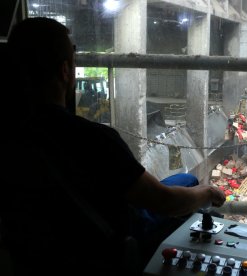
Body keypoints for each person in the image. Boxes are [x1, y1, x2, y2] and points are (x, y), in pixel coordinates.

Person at [1, 17, 225, 275]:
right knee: (190, 184)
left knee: (185, 178)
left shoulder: (11, 138)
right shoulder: (93, 139)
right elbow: (165, 202)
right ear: (65, 71)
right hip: (109, 242)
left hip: (45, 252)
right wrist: (208, 193)